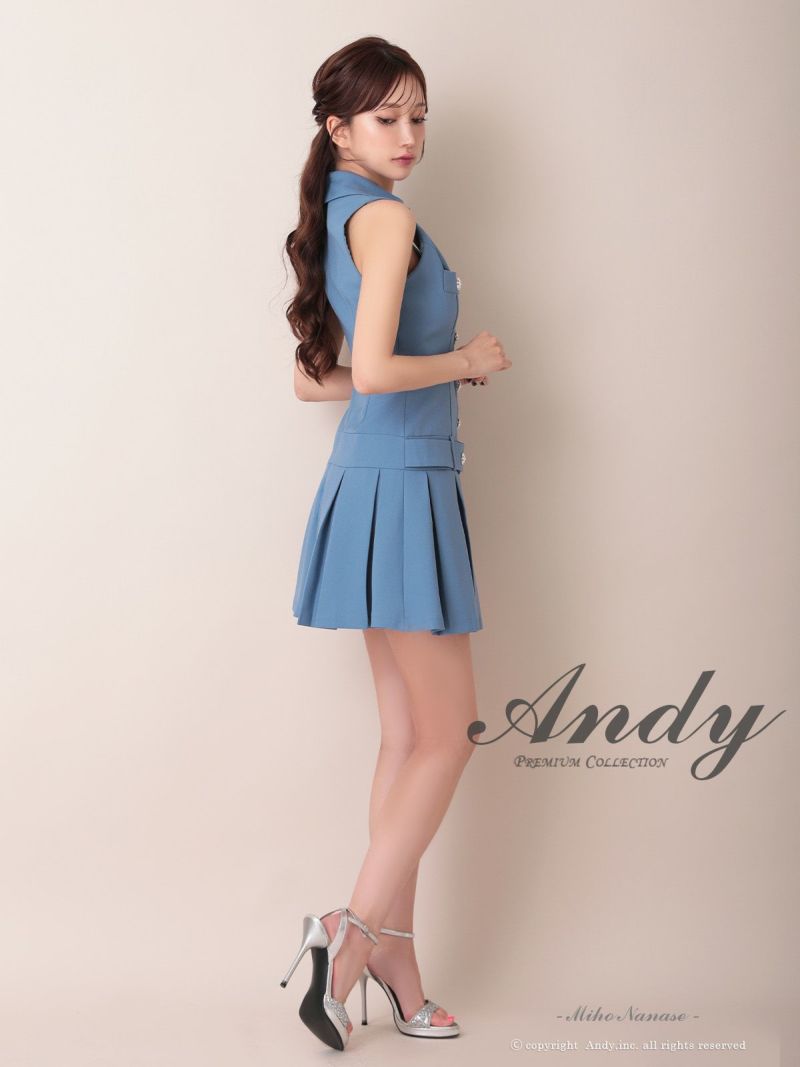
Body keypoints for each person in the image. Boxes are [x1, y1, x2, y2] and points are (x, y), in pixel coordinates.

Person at [279, 36, 511, 1051]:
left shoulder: (340, 210)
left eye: (419, 116)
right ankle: (349, 933)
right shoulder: (385, 217)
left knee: (408, 736)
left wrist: (430, 374)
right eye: (387, 118)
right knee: (447, 734)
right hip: (402, 486)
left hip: (375, 482)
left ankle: (398, 966)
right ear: (339, 128)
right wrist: (462, 358)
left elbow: (314, 380)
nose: (409, 135)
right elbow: (371, 371)